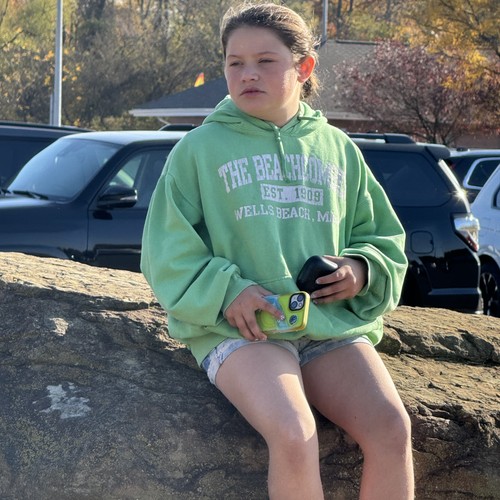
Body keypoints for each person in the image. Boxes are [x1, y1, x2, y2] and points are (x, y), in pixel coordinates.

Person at [141, 3, 414, 499]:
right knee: (293, 432)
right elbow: (166, 252)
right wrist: (229, 291)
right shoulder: (198, 149)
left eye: (265, 61)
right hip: (242, 331)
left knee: (391, 427)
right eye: (235, 63)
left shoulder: (338, 148)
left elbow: (383, 239)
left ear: (303, 66)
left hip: (327, 327)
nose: (248, 74)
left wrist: (359, 269)